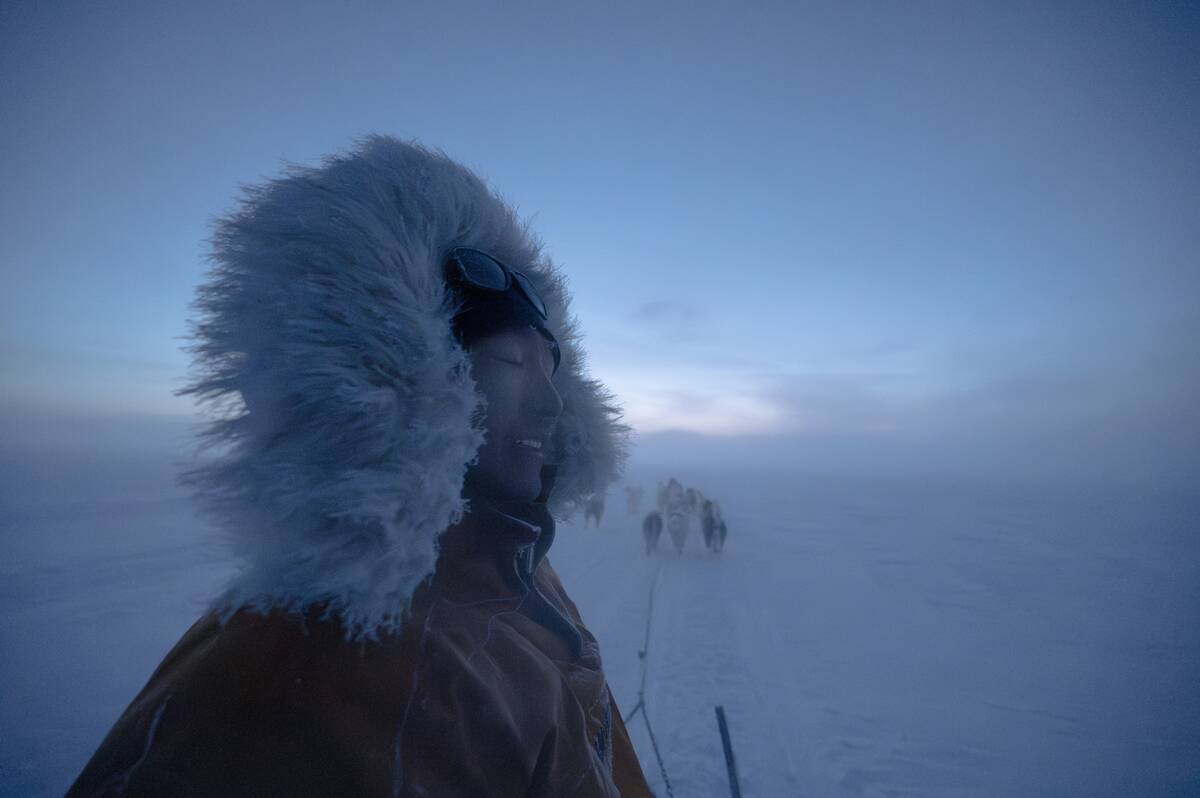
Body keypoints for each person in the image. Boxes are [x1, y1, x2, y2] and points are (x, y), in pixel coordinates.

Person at [67, 137, 651, 797]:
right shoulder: (298, 686)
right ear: (406, 385)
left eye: (551, 370)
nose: (550, 404)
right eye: (512, 366)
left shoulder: (516, 573)